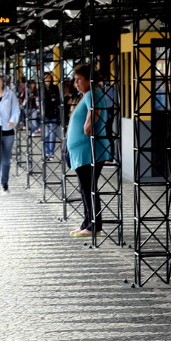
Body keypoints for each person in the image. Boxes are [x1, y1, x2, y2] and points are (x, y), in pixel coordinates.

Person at [66, 66, 105, 237]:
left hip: (88, 150)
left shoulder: (92, 94)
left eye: (79, 79)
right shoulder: (87, 95)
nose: (76, 83)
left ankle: (94, 226)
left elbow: (94, 110)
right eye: (75, 80)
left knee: (89, 188)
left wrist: (87, 126)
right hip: (82, 151)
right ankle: (88, 223)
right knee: (85, 188)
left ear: (89, 80)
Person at [41, 72, 62, 157]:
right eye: (46, 78)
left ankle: (51, 153)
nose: (48, 80)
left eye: (49, 78)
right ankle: (46, 152)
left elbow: (57, 100)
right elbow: (43, 101)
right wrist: (51, 100)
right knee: (46, 135)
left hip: (54, 113)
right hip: (45, 114)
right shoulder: (42, 89)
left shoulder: (55, 87)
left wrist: (50, 101)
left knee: (52, 135)